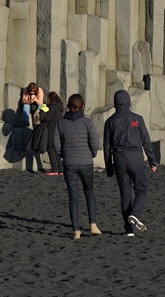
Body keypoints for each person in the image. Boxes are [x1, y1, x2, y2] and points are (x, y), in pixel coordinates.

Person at [103, 89, 156, 236]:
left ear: (115, 103)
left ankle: (128, 229)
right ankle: (135, 214)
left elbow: (106, 147)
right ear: (128, 102)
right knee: (142, 189)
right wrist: (152, 160)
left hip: (119, 159)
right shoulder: (137, 118)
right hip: (136, 158)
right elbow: (146, 141)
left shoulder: (110, 121)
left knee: (125, 194)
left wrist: (109, 168)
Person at [55, 94, 103, 240]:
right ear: (82, 106)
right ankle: (93, 225)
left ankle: (76, 231)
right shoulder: (87, 122)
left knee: (73, 197)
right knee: (89, 192)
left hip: (69, 163)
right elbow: (94, 142)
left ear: (68, 106)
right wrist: (91, 154)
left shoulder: (60, 123)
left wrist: (65, 155)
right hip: (86, 162)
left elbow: (56, 144)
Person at [36, 91, 64, 175]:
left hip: (51, 129)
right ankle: (60, 170)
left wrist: (43, 111)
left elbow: (46, 119)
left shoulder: (53, 108)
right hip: (58, 129)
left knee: (50, 148)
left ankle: (54, 170)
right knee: (56, 150)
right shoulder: (60, 107)